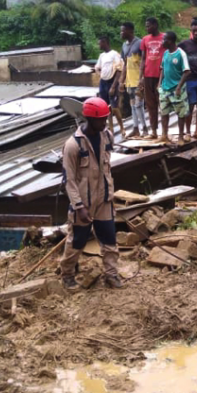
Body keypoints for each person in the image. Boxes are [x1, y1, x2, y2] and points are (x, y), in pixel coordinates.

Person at [59, 97, 122, 290]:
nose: (105, 122)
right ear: (89, 119)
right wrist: (79, 207)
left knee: (109, 239)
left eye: (106, 118)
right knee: (76, 241)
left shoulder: (107, 137)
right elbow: (69, 181)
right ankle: (67, 274)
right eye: (101, 119)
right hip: (83, 204)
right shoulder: (73, 145)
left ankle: (111, 275)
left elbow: (106, 169)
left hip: (103, 201)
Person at [158, 31, 190, 145]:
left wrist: (179, 87)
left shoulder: (181, 54)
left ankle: (181, 137)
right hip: (165, 88)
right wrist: (159, 84)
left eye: (164, 40)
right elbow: (162, 69)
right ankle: (164, 135)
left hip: (177, 89)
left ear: (170, 41)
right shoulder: (165, 53)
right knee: (163, 112)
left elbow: (186, 72)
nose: (162, 42)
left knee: (180, 113)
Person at [120, 22, 149, 138]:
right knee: (132, 105)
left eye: (123, 31)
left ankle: (145, 129)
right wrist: (121, 81)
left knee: (139, 105)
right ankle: (136, 128)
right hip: (129, 81)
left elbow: (145, 62)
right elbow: (125, 64)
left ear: (130, 31)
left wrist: (142, 79)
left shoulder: (140, 43)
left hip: (138, 80)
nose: (121, 33)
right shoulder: (124, 46)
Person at [94, 36, 125, 137]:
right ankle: (111, 129)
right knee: (106, 108)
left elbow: (119, 71)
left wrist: (113, 86)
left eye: (100, 43)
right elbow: (97, 67)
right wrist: (101, 74)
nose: (99, 45)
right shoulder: (101, 56)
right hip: (103, 82)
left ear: (105, 42)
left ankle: (122, 128)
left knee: (115, 107)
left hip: (112, 82)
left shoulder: (114, 54)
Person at [140, 17, 165, 140]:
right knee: (150, 105)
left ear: (155, 25)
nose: (147, 28)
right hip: (148, 75)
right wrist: (141, 77)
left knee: (163, 103)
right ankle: (154, 131)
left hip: (162, 75)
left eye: (148, 25)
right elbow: (143, 58)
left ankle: (165, 132)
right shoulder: (145, 39)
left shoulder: (164, 37)